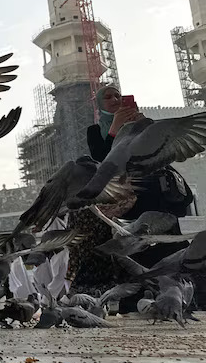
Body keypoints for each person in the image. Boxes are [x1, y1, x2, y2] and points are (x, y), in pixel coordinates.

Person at [70, 85, 193, 297]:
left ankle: (181, 293)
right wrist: (115, 129)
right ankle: (140, 297)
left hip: (157, 192)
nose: (115, 99)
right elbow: (103, 159)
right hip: (130, 196)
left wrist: (145, 126)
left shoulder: (141, 122)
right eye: (108, 97)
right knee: (135, 244)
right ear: (99, 105)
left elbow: (163, 150)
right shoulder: (94, 131)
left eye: (118, 95)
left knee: (168, 242)